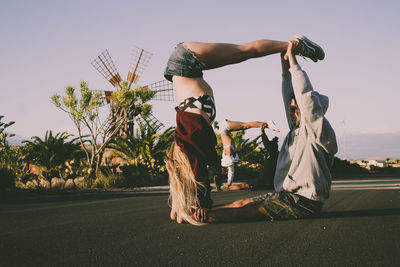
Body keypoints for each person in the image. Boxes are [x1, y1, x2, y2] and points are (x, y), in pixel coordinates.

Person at [164, 36, 325, 225]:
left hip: (186, 59)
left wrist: (196, 204)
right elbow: (185, 190)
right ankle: (289, 48)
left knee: (245, 51)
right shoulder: (186, 149)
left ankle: (294, 45)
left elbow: (196, 175)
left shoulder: (190, 150)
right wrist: (183, 205)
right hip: (185, 68)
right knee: (245, 52)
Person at [217, 119, 279, 191]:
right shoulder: (228, 155)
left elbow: (231, 171)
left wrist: (228, 183)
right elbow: (231, 171)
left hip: (225, 128)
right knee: (245, 125)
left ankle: (268, 124)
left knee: (245, 125)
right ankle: (268, 124)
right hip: (225, 128)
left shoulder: (227, 154)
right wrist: (228, 183)